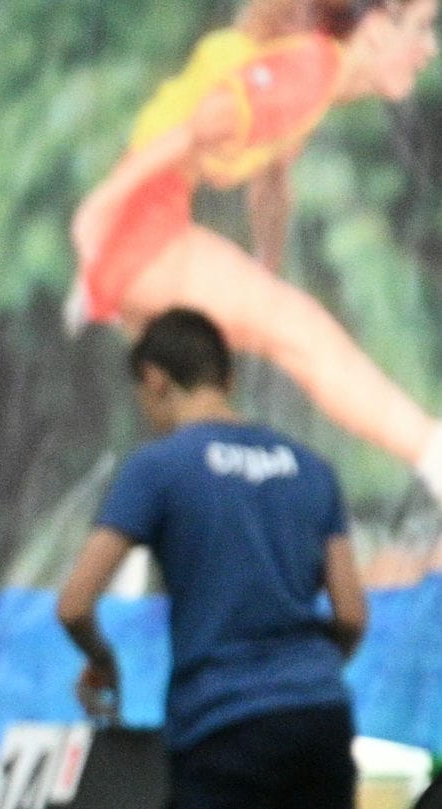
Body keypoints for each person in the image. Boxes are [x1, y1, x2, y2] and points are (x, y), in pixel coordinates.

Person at [58, 308, 391, 809]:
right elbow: (352, 614)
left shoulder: (159, 468)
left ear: (155, 380)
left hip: (223, 727)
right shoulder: (310, 468)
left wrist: (103, 662)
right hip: (317, 713)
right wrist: (307, 672)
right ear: (227, 375)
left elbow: (75, 602)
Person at [71, 0, 442, 500]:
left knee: (212, 392)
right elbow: (203, 123)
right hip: (140, 230)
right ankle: (433, 454)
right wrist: (101, 206)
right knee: (302, 333)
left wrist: (266, 263)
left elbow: (270, 180)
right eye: (422, 27)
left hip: (143, 229)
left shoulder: (311, 74)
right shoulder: (309, 71)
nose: (430, 48)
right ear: (375, 30)